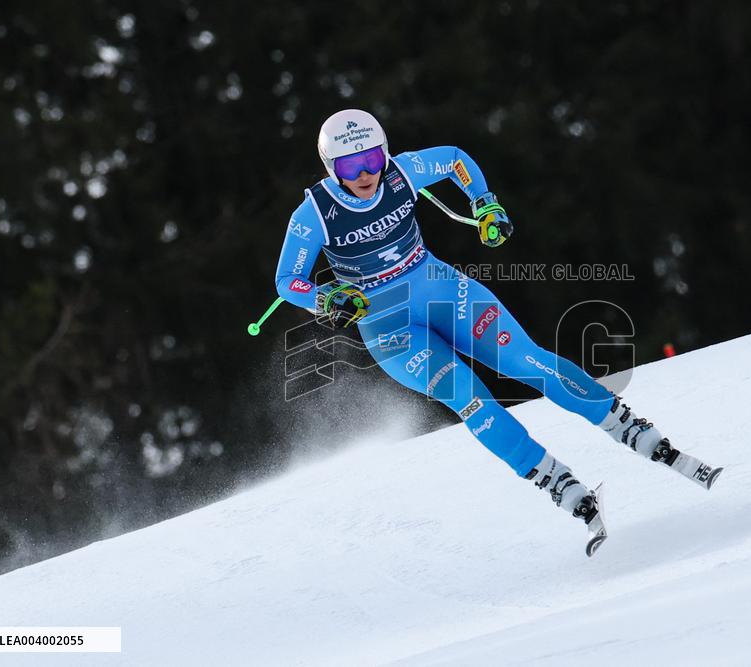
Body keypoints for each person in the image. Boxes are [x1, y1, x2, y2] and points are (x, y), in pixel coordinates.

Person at [275, 109, 721, 556]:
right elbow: (286, 281)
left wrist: (484, 202)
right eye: (351, 167)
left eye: (373, 158)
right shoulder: (314, 213)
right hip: (389, 328)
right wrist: (325, 298)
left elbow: (453, 159)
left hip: (441, 289)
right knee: (470, 398)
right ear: (331, 168)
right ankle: (557, 484)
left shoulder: (402, 173)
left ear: (385, 152)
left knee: (526, 361)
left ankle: (629, 428)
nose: (367, 173)